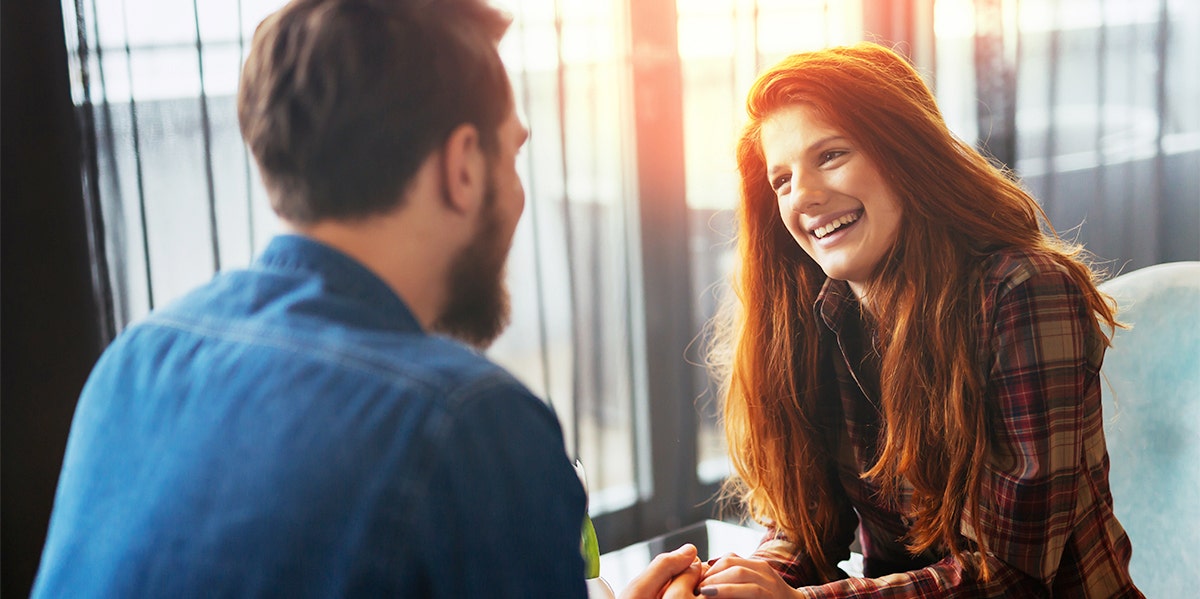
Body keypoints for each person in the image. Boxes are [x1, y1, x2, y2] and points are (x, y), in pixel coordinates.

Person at [33, 0, 611, 596]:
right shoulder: (472, 421)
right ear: (462, 166)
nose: (518, 194)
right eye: (511, 154)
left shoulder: (134, 364)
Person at [681, 43, 1145, 597]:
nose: (802, 195)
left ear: (905, 153)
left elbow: (1013, 574)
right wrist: (740, 585)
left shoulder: (1024, 292)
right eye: (781, 180)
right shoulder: (812, 322)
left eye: (830, 155)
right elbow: (805, 532)